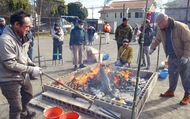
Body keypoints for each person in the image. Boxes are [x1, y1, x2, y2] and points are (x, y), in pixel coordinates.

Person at [0, 10, 41, 119]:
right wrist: (31, 70)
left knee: (28, 95)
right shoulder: (5, 40)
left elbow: (24, 55)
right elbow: (10, 64)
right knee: (16, 107)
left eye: (30, 27)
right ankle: (19, 114)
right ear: (16, 24)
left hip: (23, 74)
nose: (28, 30)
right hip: (9, 79)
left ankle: (24, 114)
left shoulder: (22, 36)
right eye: (26, 27)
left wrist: (31, 64)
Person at [149, 13, 190, 105]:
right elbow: (157, 39)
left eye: (160, 23)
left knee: (185, 77)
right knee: (172, 75)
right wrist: (152, 48)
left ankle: (188, 95)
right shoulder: (161, 29)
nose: (158, 26)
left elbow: (188, 41)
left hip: (182, 57)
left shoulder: (180, 27)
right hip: (171, 57)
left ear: (165, 20)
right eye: (158, 24)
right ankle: (171, 91)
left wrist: (186, 56)